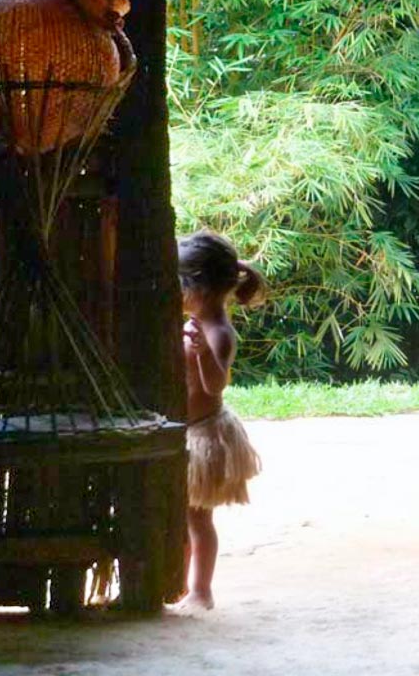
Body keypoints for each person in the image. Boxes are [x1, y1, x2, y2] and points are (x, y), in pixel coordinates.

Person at [174, 230, 267, 610]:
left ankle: (201, 590)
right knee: (179, 520)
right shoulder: (191, 325)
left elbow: (215, 385)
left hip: (205, 434)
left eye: (181, 286)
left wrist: (200, 353)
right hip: (184, 431)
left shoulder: (219, 334)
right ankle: (177, 587)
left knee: (198, 520)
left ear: (204, 288)